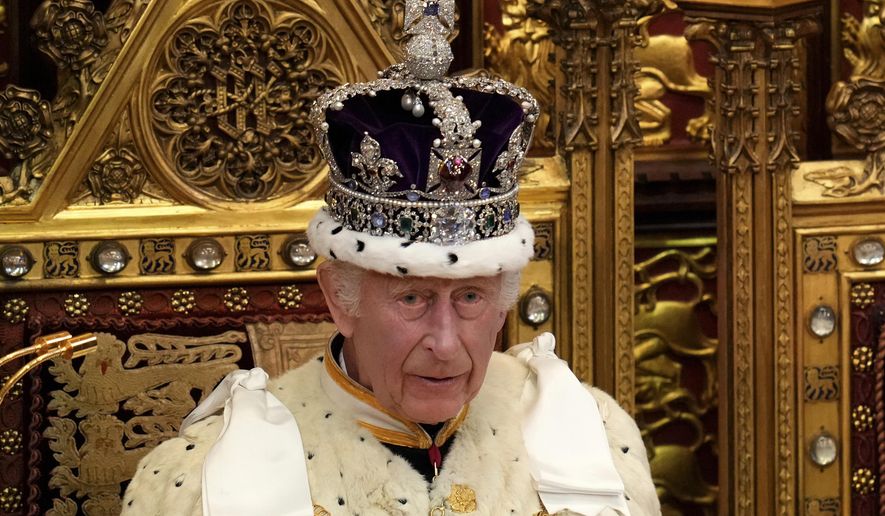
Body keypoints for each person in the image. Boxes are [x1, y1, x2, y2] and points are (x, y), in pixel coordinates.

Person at [122, 1, 660, 514]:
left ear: (503, 304)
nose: (446, 344)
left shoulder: (593, 435)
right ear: (340, 298)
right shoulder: (203, 477)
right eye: (412, 298)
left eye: (471, 296)